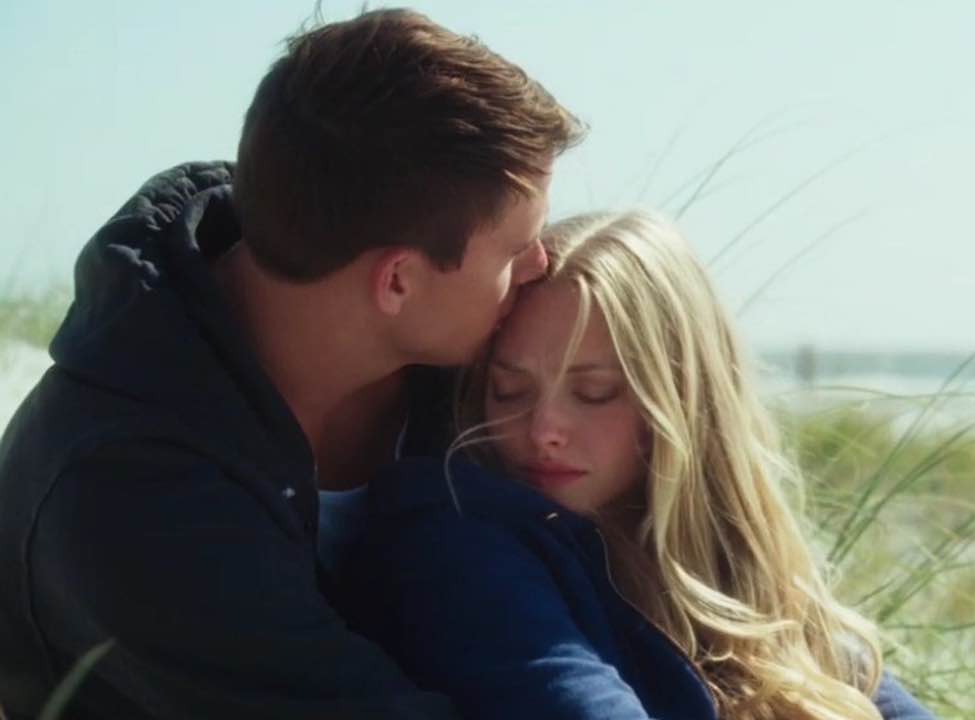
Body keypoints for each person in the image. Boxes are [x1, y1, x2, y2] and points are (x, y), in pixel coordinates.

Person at [0, 8, 582, 719]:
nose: (541, 264)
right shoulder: (125, 491)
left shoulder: (475, 362)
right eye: (515, 248)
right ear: (398, 280)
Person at [343, 210, 934, 719]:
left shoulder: (741, 572)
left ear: (682, 401)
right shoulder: (450, 530)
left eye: (595, 392)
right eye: (510, 390)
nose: (544, 430)